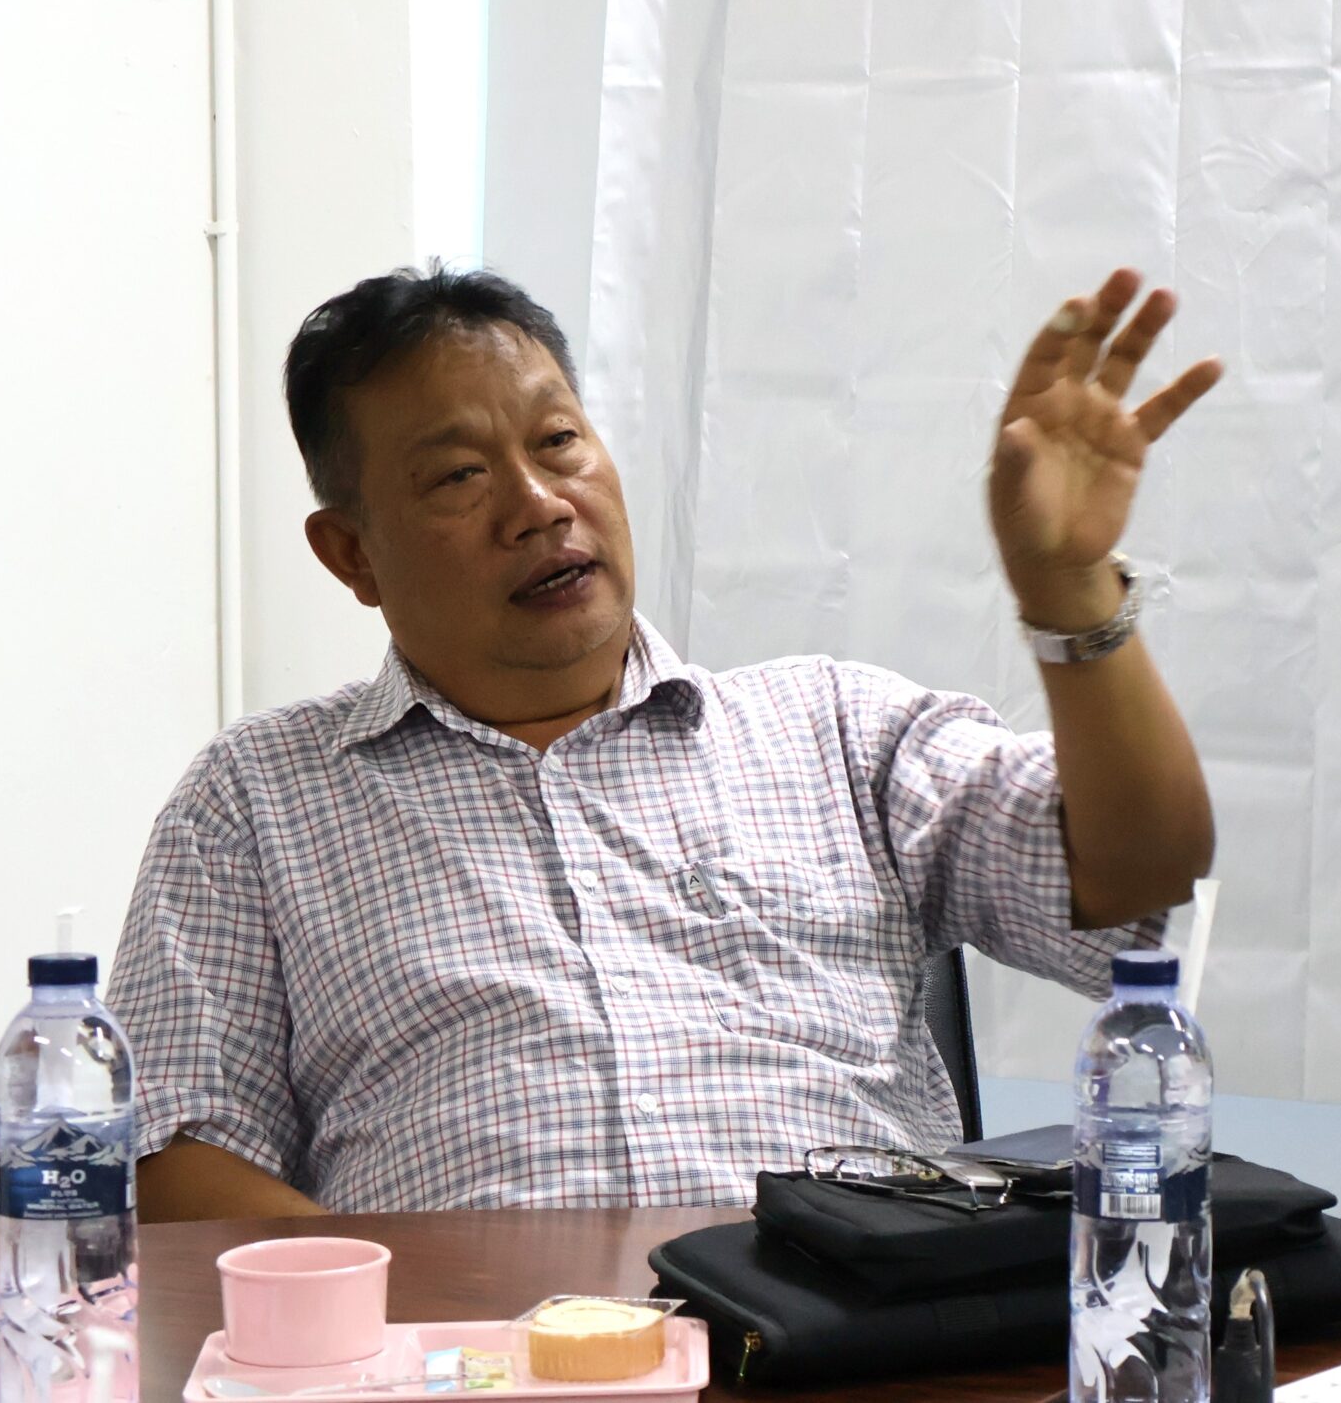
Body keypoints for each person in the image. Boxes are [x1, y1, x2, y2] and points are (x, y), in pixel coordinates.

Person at [109, 264, 1221, 1219]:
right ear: (351, 554)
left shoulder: (836, 731)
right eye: (458, 476)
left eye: (558, 441)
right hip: (478, 1359)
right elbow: (171, 1155)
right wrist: (406, 1329)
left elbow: (1140, 876)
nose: (539, 504)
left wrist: (1068, 589)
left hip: (846, 1340)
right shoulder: (258, 799)